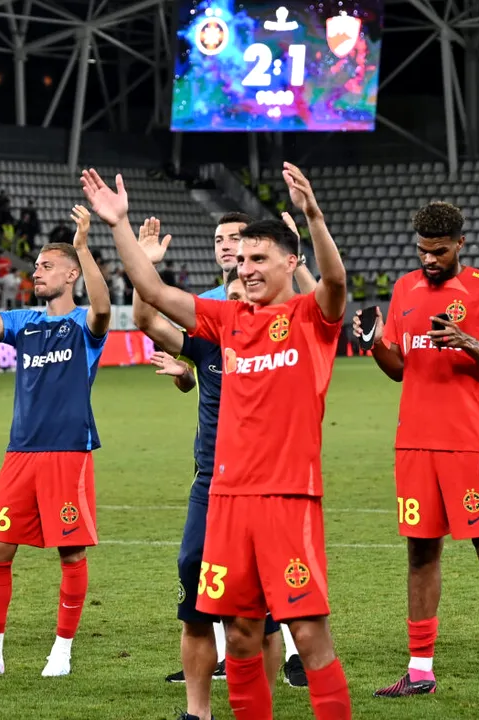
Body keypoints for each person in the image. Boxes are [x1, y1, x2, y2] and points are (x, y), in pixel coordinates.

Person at [83, 162, 352, 720]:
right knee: (243, 634)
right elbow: (152, 290)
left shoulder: (309, 318)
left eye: (260, 259)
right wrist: (119, 225)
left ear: (289, 262)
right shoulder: (227, 319)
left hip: (286, 499)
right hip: (226, 503)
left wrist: (314, 215)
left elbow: (336, 284)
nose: (248, 269)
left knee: (308, 630)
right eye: (244, 259)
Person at [134, 215, 317, 719]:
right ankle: (198, 711)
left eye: (243, 249)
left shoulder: (286, 328)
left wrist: (308, 227)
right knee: (194, 580)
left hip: (268, 487)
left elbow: (325, 300)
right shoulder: (212, 330)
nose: (234, 257)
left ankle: (269, 693)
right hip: (210, 481)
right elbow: (150, 318)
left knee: (267, 612)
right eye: (226, 247)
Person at [355, 201, 479, 703]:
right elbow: (399, 368)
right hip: (413, 443)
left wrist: (467, 342)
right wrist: (371, 343)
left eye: (439, 251)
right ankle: (420, 668)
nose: (429, 260)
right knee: (420, 551)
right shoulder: (405, 289)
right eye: (423, 251)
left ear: (459, 245)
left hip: (466, 444)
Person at [0, 204, 111, 678]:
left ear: (71, 276)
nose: (36, 273)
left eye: (46, 267)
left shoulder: (85, 324)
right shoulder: (25, 321)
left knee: (71, 552)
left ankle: (62, 651)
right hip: (20, 452)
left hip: (68, 453)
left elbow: (104, 308)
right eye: (38, 267)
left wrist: (83, 248)